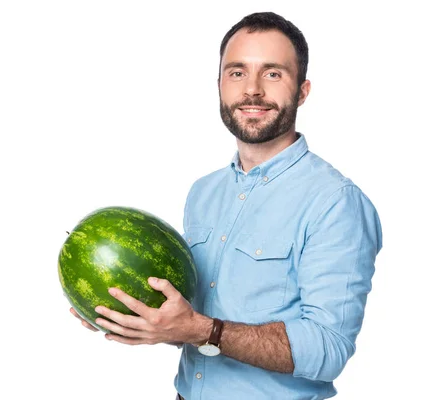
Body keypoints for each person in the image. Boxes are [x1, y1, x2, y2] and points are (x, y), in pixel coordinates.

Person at [69, 11, 382, 399]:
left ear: (302, 90)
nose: (252, 90)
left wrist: (200, 329)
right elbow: (193, 325)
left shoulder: (335, 202)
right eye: (237, 73)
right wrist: (143, 322)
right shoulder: (204, 193)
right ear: (219, 85)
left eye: (272, 74)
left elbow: (328, 349)